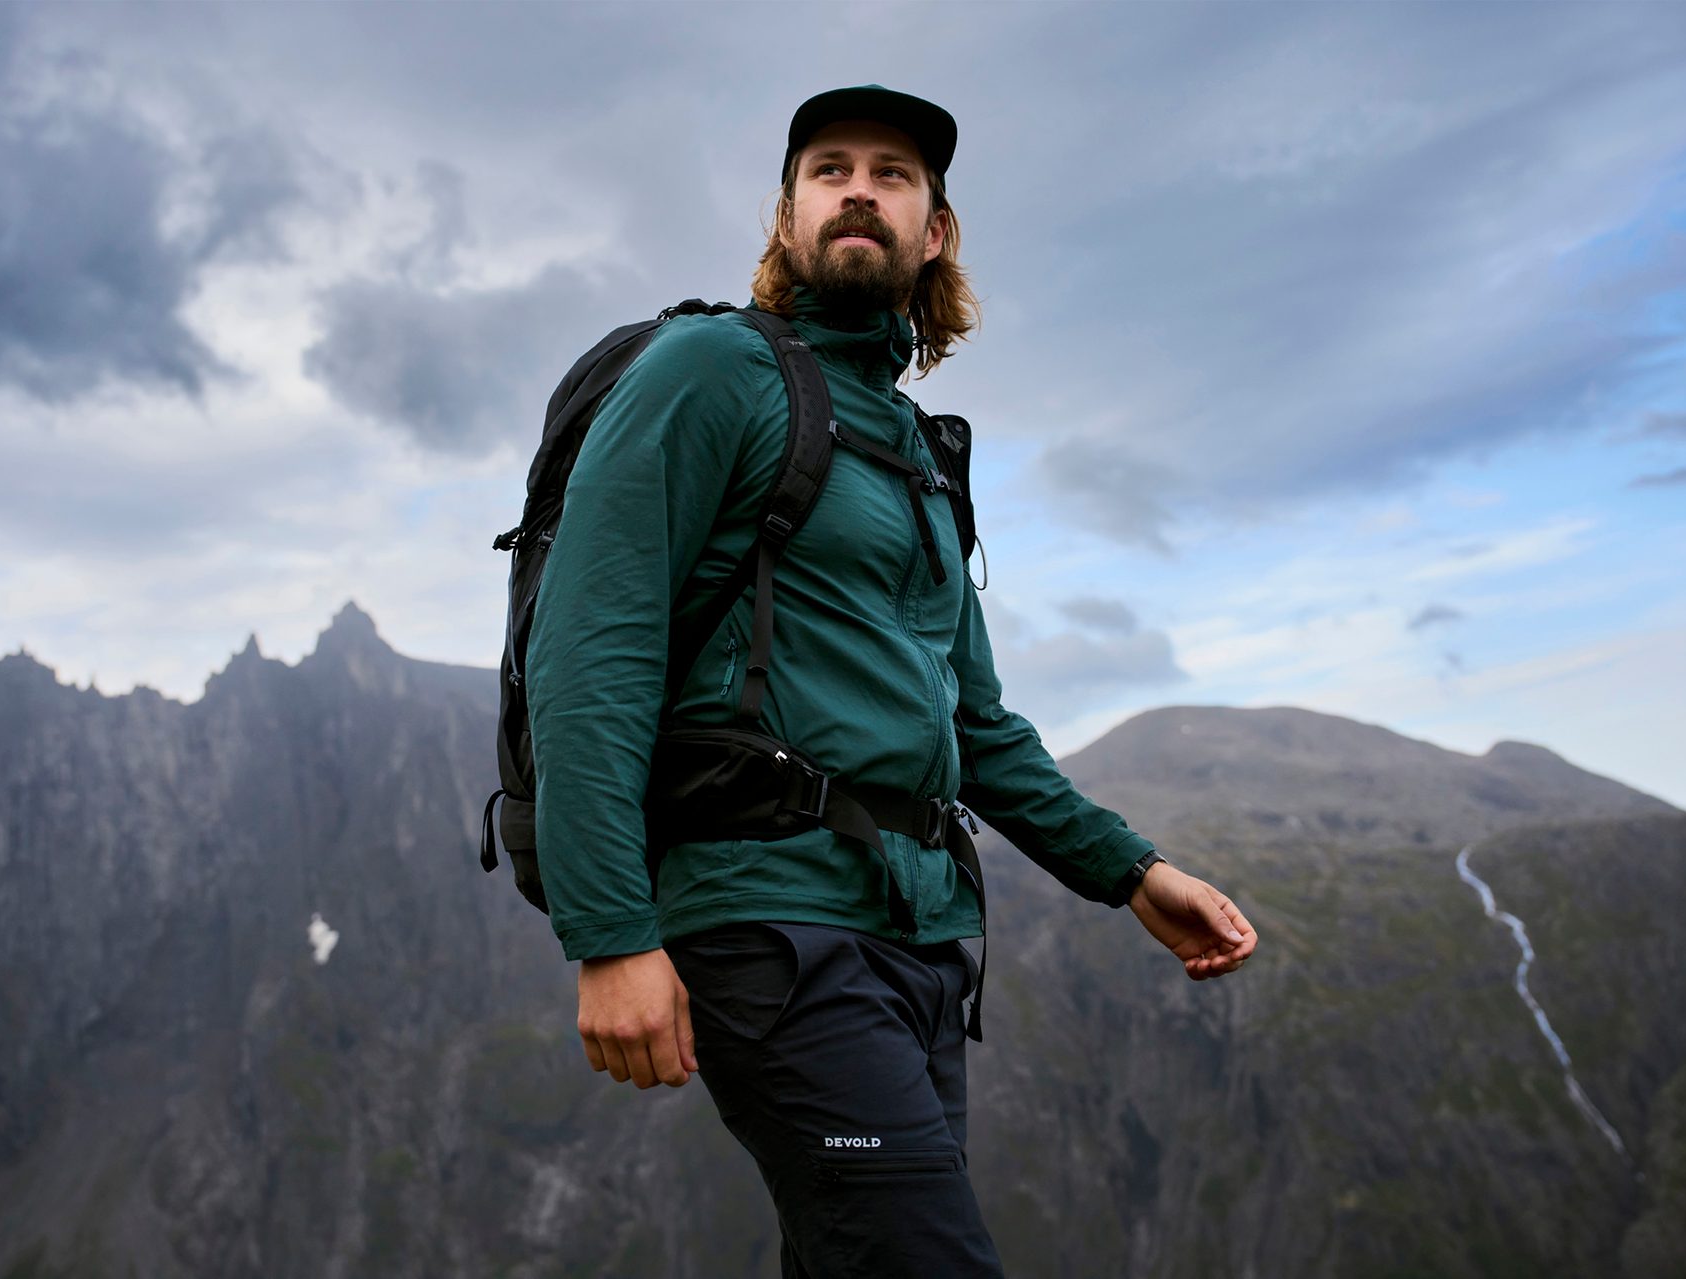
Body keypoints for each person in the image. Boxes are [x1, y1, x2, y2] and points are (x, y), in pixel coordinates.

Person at [526, 85, 1257, 1277]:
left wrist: (1132, 873)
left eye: (893, 173)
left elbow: (976, 722)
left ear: (936, 232)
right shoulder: (713, 370)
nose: (859, 187)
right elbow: (589, 648)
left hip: (918, 944)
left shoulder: (913, 448)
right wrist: (607, 931)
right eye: (829, 168)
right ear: (785, 217)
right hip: (773, 924)